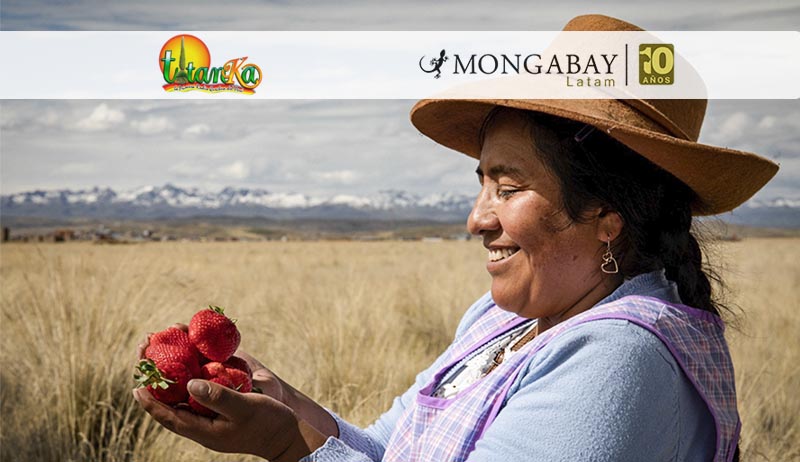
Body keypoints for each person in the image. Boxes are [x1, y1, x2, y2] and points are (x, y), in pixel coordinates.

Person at [133, 14, 778, 462]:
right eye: (482, 184)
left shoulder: (618, 360)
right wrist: (282, 403)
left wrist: (282, 444)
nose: (477, 219)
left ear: (608, 215)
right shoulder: (505, 321)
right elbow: (389, 450)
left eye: (508, 186)